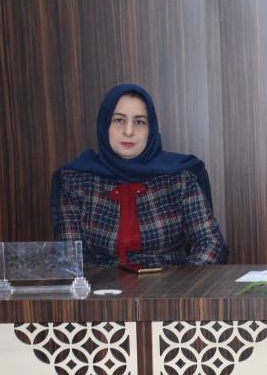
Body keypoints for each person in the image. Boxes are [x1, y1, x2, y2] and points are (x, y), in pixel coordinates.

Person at [51, 83, 228, 267]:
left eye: (140, 122)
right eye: (119, 120)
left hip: (170, 281)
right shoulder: (77, 183)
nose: (129, 131)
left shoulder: (180, 178)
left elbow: (211, 244)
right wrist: (100, 284)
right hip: (102, 283)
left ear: (151, 129)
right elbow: (71, 259)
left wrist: (182, 282)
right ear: (104, 125)